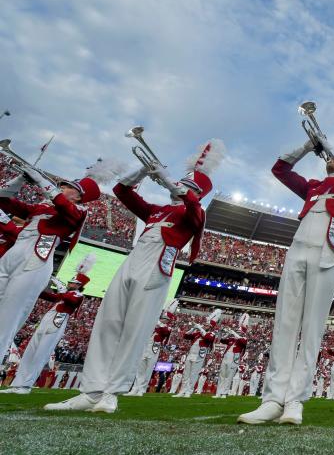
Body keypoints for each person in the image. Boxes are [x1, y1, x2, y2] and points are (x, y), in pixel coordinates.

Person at [46, 143, 221, 414]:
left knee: (135, 329)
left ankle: (112, 392)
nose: (178, 186)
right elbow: (121, 191)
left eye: (186, 185)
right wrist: (144, 170)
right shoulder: (156, 210)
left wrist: (171, 183)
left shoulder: (194, 212)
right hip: (133, 261)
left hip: (155, 268)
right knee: (108, 322)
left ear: (197, 192)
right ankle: (90, 390)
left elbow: (195, 211)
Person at [238, 138, 334, 425]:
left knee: (311, 330)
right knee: (284, 324)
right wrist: (308, 146)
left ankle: (295, 400)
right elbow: (280, 170)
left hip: (326, 254)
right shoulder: (313, 186)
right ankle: (272, 400)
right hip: (297, 249)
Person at [0, 162, 107, 358]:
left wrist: (41, 180)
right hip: (13, 254)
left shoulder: (79, 211)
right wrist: (21, 178)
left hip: (36, 258)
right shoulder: (42, 206)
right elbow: (3, 198)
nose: (62, 187)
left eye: (68, 187)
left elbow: (61, 204)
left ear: (78, 195)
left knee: (8, 318)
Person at [1, 255, 94, 393]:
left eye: (72, 283)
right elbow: (52, 297)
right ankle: (17, 384)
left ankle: (26, 385)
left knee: (41, 354)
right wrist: (35, 289)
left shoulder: (77, 296)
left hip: (58, 321)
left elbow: (70, 300)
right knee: (30, 351)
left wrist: (62, 288)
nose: (69, 283)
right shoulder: (65, 294)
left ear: (78, 285)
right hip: (48, 319)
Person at [127, 300, 178, 397]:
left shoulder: (167, 328)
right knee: (140, 369)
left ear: (167, 320)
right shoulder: (155, 324)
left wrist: (158, 322)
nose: (163, 319)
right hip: (145, 347)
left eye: (164, 318)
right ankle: (135, 389)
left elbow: (165, 332)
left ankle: (141, 389)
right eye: (162, 318)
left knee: (148, 370)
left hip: (154, 349)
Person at [177, 310, 221, 398]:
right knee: (186, 373)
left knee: (194, 374)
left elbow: (207, 338)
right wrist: (193, 328)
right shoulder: (197, 333)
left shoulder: (212, 333)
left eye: (207, 325)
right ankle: (182, 391)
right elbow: (185, 335)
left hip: (199, 355)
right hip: (191, 354)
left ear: (210, 327)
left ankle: (189, 391)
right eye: (204, 325)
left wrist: (200, 328)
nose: (204, 326)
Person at [215, 313, 249, 398]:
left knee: (229, 376)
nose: (237, 332)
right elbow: (222, 340)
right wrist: (227, 333)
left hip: (234, 357)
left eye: (239, 332)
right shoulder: (232, 339)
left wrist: (234, 333)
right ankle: (218, 392)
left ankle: (224, 393)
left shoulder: (244, 339)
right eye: (237, 331)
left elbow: (243, 342)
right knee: (222, 374)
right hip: (226, 356)